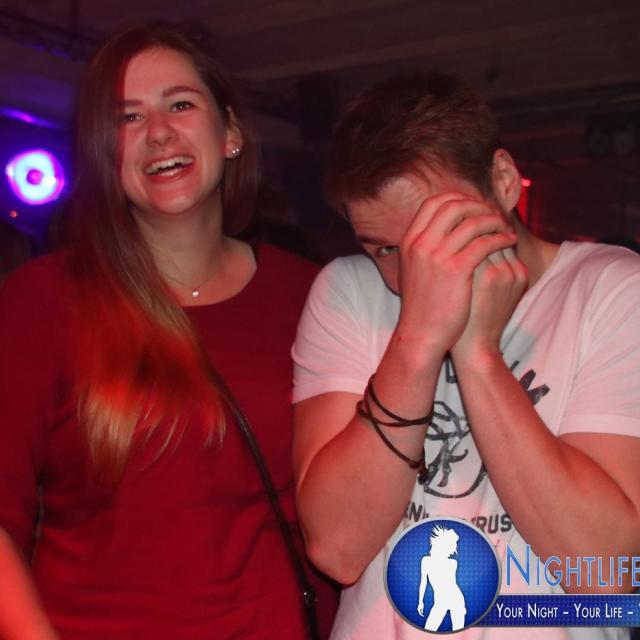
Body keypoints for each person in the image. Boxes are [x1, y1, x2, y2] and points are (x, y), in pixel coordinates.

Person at [0, 22, 337, 640]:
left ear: (229, 133)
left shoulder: (312, 294)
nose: (157, 132)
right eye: (127, 118)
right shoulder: (44, 301)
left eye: (180, 105)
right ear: (104, 153)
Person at [292, 72, 640, 639]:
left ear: (502, 181)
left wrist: (478, 353)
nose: (415, 274)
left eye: (439, 234)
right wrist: (420, 337)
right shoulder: (350, 290)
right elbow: (337, 549)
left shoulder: (613, 288)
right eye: (385, 249)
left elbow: (603, 573)